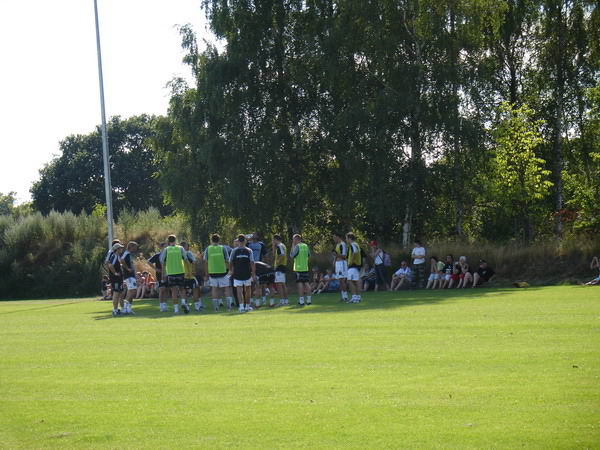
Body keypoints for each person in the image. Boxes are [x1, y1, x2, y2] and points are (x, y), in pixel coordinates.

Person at [204, 234, 234, 311]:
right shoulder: (223, 248)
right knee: (226, 289)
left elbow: (205, 262)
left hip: (212, 272)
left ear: (211, 240)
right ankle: (229, 307)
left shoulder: (208, 249)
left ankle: (216, 308)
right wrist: (230, 270)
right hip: (223, 272)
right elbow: (227, 260)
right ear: (219, 240)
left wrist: (206, 273)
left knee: (214, 289)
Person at [160, 235, 189, 314]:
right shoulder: (180, 248)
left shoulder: (166, 249)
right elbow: (186, 259)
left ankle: (176, 310)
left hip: (171, 273)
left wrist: (163, 273)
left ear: (168, 241)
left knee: (174, 291)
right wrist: (188, 271)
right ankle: (183, 302)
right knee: (182, 289)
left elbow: (162, 261)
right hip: (180, 271)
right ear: (175, 240)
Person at [229, 234, 256, 312]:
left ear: (238, 241)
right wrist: (253, 273)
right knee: (247, 289)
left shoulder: (234, 250)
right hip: (246, 273)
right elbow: (252, 263)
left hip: (239, 273)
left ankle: (241, 307)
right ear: (245, 241)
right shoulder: (249, 250)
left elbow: (230, 262)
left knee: (239, 289)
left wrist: (231, 270)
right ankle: (246, 306)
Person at [290, 234, 312, 306]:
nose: (293, 241)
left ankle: (301, 301)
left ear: (296, 239)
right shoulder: (305, 246)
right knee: (307, 283)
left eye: (293, 239)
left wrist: (292, 246)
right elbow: (309, 255)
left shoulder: (297, 246)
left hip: (298, 268)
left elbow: (292, 255)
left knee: (300, 284)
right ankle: (309, 300)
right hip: (305, 268)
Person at [181, 241, 202, 312]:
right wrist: (193, 271)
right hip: (190, 276)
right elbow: (194, 262)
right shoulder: (188, 253)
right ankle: (197, 307)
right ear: (185, 246)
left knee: (184, 292)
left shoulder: (178, 254)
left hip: (182, 276)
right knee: (195, 290)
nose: (188, 246)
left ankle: (185, 305)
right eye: (187, 245)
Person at [119, 241, 139, 315]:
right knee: (132, 291)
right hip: (128, 275)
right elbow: (121, 260)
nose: (136, 249)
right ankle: (125, 308)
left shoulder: (129, 254)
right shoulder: (126, 253)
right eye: (135, 247)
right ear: (131, 247)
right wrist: (127, 268)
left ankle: (129, 309)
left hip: (132, 275)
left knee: (132, 291)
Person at [148, 243, 167, 311]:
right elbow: (149, 262)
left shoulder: (168, 255)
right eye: (165, 247)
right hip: (160, 275)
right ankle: (161, 306)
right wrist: (156, 269)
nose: (166, 248)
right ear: (161, 247)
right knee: (162, 289)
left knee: (166, 289)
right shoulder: (157, 255)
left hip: (167, 274)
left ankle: (165, 305)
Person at [107, 243, 125, 316]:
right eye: (120, 248)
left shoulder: (117, 256)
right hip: (115, 278)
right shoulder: (114, 256)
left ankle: (122, 309)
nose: (122, 249)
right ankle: (115, 310)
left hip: (119, 278)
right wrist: (115, 273)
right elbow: (110, 265)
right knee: (116, 293)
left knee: (120, 293)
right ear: (117, 249)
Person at [346, 232, 363, 303]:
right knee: (355, 281)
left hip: (353, 265)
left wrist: (350, 262)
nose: (346, 240)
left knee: (350, 281)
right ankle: (358, 297)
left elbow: (354, 252)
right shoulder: (356, 244)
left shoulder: (353, 244)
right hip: (356, 265)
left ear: (349, 238)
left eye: (346, 238)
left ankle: (355, 297)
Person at [272, 234, 289, 306]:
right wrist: (273, 246)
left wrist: (277, 264)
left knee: (280, 284)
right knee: (282, 284)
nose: (272, 241)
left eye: (273, 240)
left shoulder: (280, 245)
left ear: (275, 239)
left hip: (280, 267)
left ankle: (282, 301)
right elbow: (275, 255)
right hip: (282, 266)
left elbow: (282, 255)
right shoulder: (281, 246)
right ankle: (285, 301)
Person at [332, 232, 349, 302]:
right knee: (340, 280)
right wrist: (334, 261)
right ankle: (343, 296)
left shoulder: (343, 244)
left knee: (342, 280)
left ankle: (346, 297)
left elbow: (344, 256)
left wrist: (336, 255)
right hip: (338, 264)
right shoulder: (337, 245)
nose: (333, 239)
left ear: (338, 237)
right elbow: (336, 255)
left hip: (342, 263)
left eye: (334, 237)